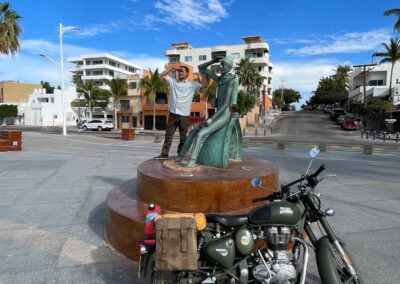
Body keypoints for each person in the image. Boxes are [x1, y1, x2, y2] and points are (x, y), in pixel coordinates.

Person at [175, 56, 239, 167]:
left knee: (200, 133)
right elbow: (201, 68)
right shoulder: (220, 79)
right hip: (218, 115)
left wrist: (214, 118)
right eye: (221, 64)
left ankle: (192, 160)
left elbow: (228, 104)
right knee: (193, 132)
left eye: (223, 65)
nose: (221, 66)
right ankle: (180, 156)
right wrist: (213, 61)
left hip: (224, 115)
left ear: (229, 67)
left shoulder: (232, 80)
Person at [154, 65, 204, 160]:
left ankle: (180, 155)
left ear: (187, 73)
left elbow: (204, 85)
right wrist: (172, 68)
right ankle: (164, 154)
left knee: (183, 137)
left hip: (184, 115)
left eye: (182, 71)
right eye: (179, 71)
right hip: (173, 113)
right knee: (168, 135)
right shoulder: (173, 82)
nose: (180, 73)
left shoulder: (192, 84)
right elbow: (161, 75)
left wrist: (203, 74)